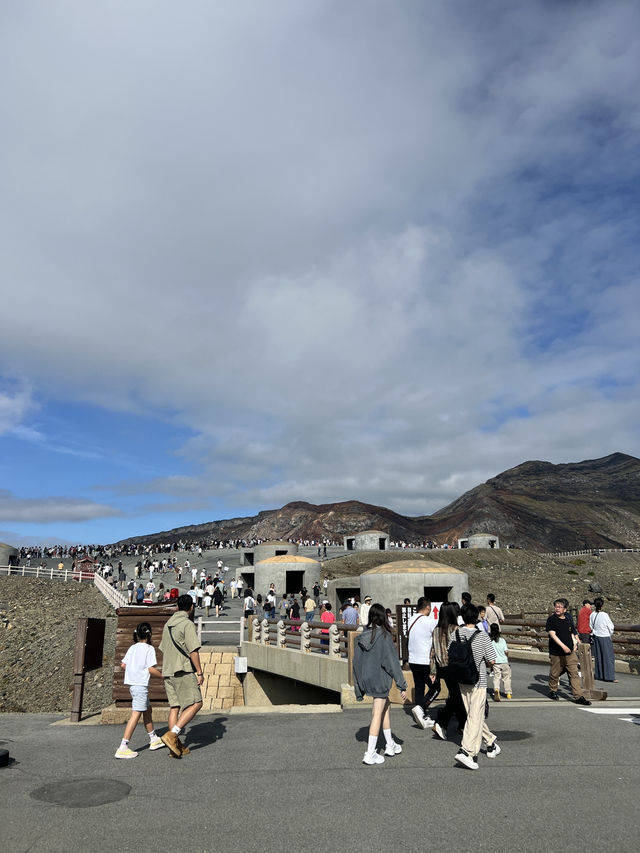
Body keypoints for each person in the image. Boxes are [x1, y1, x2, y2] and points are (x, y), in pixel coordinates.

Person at [352, 603, 407, 765]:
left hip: (367, 678)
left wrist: (358, 686)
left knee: (385, 708)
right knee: (377, 713)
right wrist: (401, 685)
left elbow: (356, 662)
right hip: (380, 679)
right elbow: (392, 662)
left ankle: (390, 744)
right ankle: (370, 753)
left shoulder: (362, 635)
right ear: (383, 617)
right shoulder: (384, 636)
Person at [450, 603, 501, 770]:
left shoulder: (455, 634)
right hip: (478, 681)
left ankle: (491, 742)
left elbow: (450, 653)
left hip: (461, 680)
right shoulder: (482, 636)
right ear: (477, 617)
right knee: (475, 716)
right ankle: (467, 751)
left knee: (473, 715)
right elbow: (492, 660)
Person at [159, 594, 204, 757]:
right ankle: (172, 735)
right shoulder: (187, 624)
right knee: (196, 703)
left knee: (175, 707)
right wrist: (199, 672)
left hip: (168, 670)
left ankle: (174, 746)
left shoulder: (168, 624)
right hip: (182, 670)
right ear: (191, 607)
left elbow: (163, 648)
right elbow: (193, 651)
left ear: (177, 606)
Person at [115, 622, 166, 759]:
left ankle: (153, 738)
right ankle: (123, 746)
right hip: (141, 686)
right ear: (149, 634)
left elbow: (123, 665)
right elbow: (150, 669)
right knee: (136, 714)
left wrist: (134, 670)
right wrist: (163, 676)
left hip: (133, 685)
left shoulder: (132, 647)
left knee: (147, 710)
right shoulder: (149, 649)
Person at [430, 603, 467, 741]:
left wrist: (433, 671)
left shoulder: (436, 630)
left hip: (442, 668)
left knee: (455, 695)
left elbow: (432, 652)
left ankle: (462, 725)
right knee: (458, 697)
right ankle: (442, 723)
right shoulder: (456, 629)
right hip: (454, 667)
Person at [546, 599, 591, 704]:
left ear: (565, 609)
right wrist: (563, 646)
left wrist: (575, 644)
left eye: (560, 607)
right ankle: (552, 690)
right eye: (556, 606)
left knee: (574, 673)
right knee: (555, 673)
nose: (557, 608)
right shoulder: (551, 620)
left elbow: (571, 632)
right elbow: (552, 635)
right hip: (556, 652)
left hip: (570, 652)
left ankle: (578, 696)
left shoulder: (568, 619)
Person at [407, 597, 436, 730]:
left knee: (419, 687)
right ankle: (421, 708)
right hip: (424, 660)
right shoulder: (429, 621)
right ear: (428, 607)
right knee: (436, 688)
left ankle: (421, 715)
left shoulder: (411, 620)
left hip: (413, 659)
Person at [590, 597, 617, 682]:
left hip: (596, 636)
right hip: (605, 636)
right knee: (608, 657)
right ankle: (609, 676)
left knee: (599, 656)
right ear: (602, 605)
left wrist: (595, 632)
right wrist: (609, 634)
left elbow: (590, 625)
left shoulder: (592, 614)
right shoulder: (605, 615)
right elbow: (611, 627)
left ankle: (599, 674)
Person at [489, 622, 512, 700]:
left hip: (496, 662)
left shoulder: (490, 641)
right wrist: (507, 657)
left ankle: (496, 689)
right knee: (506, 677)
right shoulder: (502, 640)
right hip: (504, 661)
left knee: (497, 677)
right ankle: (508, 693)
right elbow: (506, 651)